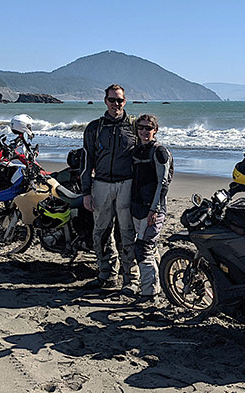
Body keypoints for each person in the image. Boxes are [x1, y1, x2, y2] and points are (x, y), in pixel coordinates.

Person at [81, 84, 140, 294]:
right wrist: (86, 192)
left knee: (126, 234)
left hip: (127, 185)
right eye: (112, 100)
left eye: (120, 100)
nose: (116, 104)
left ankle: (130, 280)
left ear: (125, 101)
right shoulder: (94, 128)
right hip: (101, 185)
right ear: (105, 101)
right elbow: (87, 162)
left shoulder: (135, 126)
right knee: (101, 233)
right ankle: (106, 275)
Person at [130, 114, 173, 303]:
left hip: (152, 210)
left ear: (155, 130)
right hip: (137, 207)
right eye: (141, 127)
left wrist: (154, 210)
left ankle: (149, 293)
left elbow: (163, 184)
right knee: (150, 249)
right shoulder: (137, 149)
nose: (144, 131)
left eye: (148, 128)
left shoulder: (159, 152)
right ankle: (162, 284)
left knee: (143, 249)